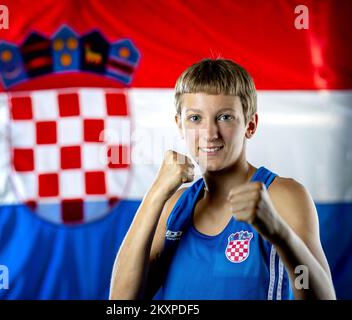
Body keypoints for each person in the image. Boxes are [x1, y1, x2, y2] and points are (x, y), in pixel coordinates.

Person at [109, 58, 336, 300]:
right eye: (195, 118)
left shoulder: (282, 196)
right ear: (179, 125)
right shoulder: (174, 208)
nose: (209, 133)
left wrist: (279, 233)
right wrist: (156, 194)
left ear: (250, 124)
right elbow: (122, 302)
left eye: (225, 117)